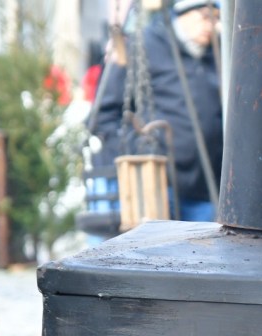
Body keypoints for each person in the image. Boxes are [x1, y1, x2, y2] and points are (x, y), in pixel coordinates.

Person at [92, 0, 223, 223]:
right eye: (204, 16)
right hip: (159, 188)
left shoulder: (217, 55)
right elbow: (103, 116)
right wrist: (138, 151)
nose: (211, 25)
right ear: (182, 13)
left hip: (208, 189)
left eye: (216, 18)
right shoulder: (144, 46)